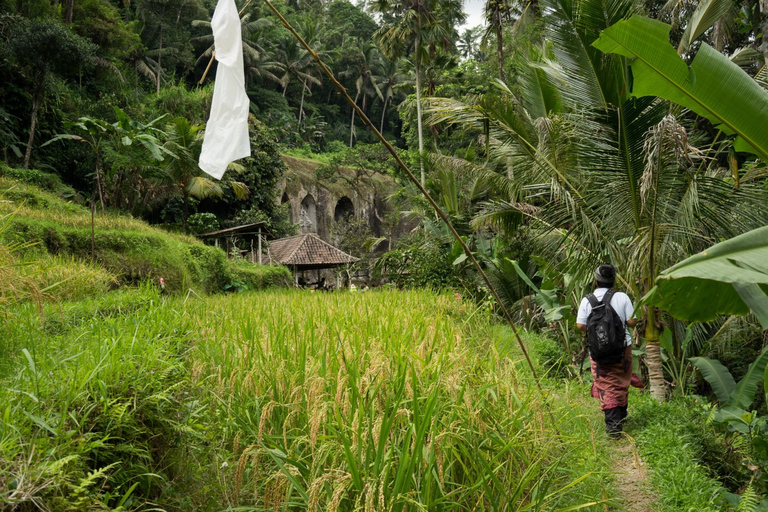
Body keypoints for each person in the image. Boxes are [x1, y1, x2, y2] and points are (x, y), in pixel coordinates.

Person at [575, 264, 641, 438]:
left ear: (596, 281)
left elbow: (580, 325)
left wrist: (598, 331)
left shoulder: (587, 299)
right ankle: (615, 422)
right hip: (622, 348)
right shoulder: (622, 297)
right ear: (613, 281)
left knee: (607, 384)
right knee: (620, 379)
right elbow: (631, 322)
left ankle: (615, 422)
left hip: (599, 351)